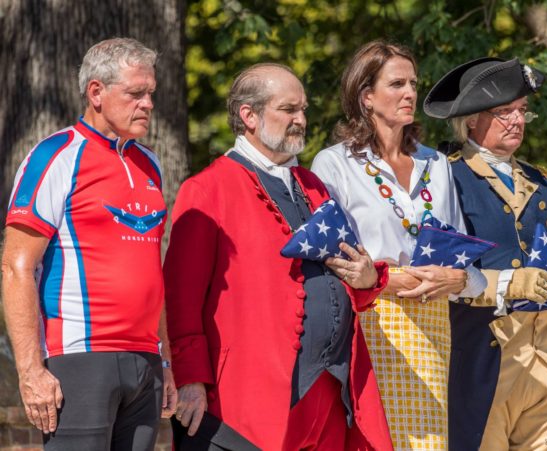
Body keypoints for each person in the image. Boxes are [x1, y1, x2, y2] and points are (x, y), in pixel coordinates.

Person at [164, 62, 393, 451]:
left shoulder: (313, 185)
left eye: (303, 109)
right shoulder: (207, 189)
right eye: (288, 110)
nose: (301, 119)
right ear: (248, 116)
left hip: (331, 393)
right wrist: (190, 380)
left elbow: (353, 274)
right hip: (248, 402)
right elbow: (180, 301)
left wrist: (368, 277)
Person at [1, 38, 176, 450]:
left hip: (144, 364)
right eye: (136, 93)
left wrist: (166, 362)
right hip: (79, 359)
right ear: (96, 92)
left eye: (151, 93)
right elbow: (15, 266)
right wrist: (30, 371)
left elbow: (153, 272)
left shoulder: (149, 164)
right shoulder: (56, 157)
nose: (148, 104)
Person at [311, 40, 487, 450]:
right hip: (374, 325)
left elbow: (466, 264)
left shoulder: (436, 164)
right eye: (397, 84)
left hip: (433, 327)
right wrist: (384, 279)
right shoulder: (334, 164)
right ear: (366, 96)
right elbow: (333, 263)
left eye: (413, 83)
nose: (410, 93)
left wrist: (459, 278)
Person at [424, 56, 547, 450]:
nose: (517, 120)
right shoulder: (446, 177)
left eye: (521, 111)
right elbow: (442, 268)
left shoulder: (541, 182)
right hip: (485, 358)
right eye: (503, 112)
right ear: (470, 120)